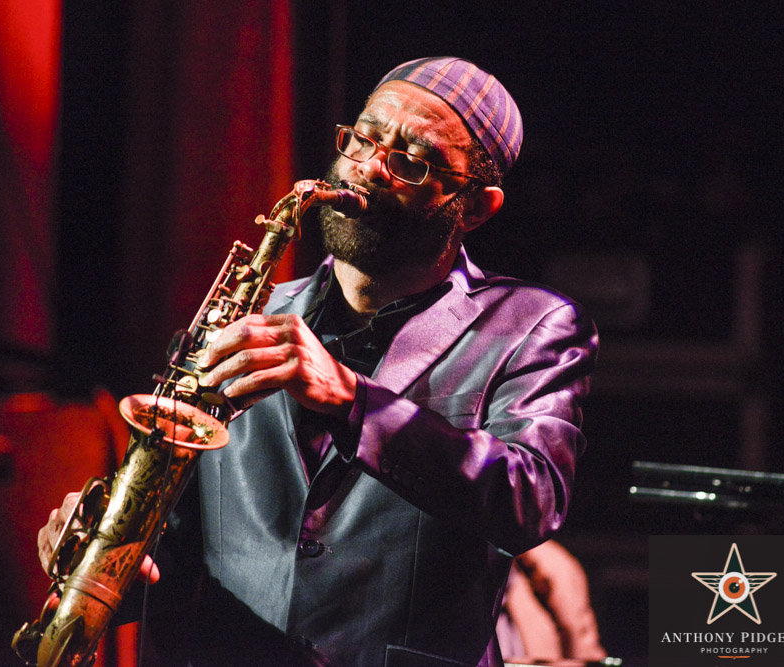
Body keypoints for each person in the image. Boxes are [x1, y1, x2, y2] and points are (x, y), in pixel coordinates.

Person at [39, 56, 598, 667]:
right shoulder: (238, 323)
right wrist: (110, 565)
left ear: (476, 206)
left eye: (412, 159)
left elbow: (530, 498)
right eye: (365, 136)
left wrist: (353, 400)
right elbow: (179, 554)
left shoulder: (531, 326)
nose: (370, 166)